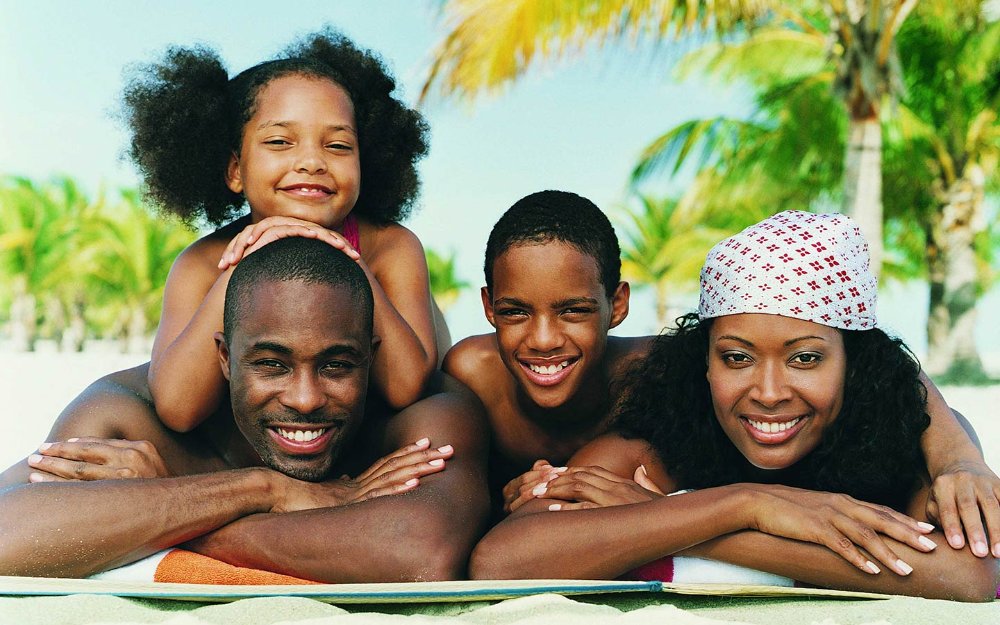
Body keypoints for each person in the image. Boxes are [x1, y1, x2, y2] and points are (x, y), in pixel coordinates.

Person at [468, 210, 999, 601]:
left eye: (806, 359)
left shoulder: (907, 446)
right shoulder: (656, 440)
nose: (768, 393)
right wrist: (747, 503)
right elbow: (502, 560)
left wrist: (675, 520)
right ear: (703, 362)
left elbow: (972, 578)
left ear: (855, 365)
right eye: (737, 358)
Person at [0, 237, 489, 581]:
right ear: (224, 359)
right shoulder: (129, 415)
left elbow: (419, 552)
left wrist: (166, 513)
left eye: (337, 366)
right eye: (272, 365)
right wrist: (264, 490)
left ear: (372, 356)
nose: (305, 398)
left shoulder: (425, 415)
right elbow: (10, 534)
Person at [129, 28, 443, 436]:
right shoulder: (204, 264)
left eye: (338, 146)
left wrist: (347, 258)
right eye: (280, 142)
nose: (312, 161)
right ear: (235, 170)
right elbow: (177, 408)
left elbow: (405, 388)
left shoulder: (390, 248)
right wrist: (238, 271)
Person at [442, 191, 649, 518]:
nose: (543, 340)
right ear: (489, 307)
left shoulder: (650, 376)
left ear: (617, 305)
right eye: (515, 312)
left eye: (574, 311)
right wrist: (505, 500)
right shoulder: (473, 376)